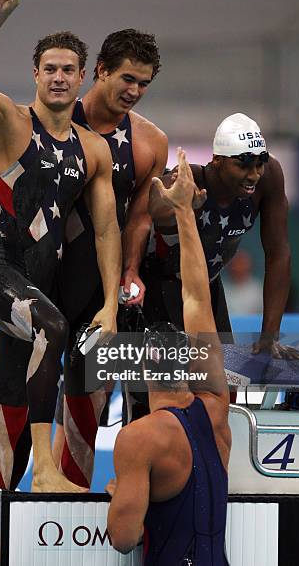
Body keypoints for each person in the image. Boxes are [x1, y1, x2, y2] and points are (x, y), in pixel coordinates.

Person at [0, 0, 121, 492]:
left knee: (9, 400)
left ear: (81, 77)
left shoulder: (91, 149)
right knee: (53, 327)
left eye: (67, 69)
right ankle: (47, 471)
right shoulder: (7, 120)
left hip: (37, 289)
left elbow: (105, 232)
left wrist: (112, 305)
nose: (57, 77)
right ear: (35, 74)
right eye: (48, 68)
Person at [52, 29, 168, 488]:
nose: (134, 92)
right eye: (127, 78)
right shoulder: (52, 119)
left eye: (144, 83)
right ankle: (6, 502)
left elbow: (137, 219)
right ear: (99, 70)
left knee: (90, 398)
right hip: (46, 276)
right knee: (25, 400)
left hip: (100, 284)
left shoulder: (148, 142)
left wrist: (131, 271)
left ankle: (72, 496)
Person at [106, 148, 231, 564]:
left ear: (144, 368)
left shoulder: (138, 440)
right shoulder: (215, 410)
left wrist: (124, 489)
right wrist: (184, 213)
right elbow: (197, 298)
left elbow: (123, 537)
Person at [145, 112, 299, 360]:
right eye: (242, 165)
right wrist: (181, 203)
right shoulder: (190, 178)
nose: (253, 175)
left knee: (227, 385)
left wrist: (270, 335)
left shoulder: (268, 177)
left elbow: (279, 254)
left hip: (206, 288)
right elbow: (153, 207)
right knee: (161, 391)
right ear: (217, 160)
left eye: (259, 164)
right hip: (154, 287)